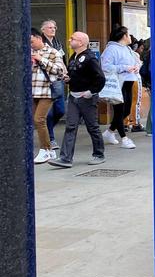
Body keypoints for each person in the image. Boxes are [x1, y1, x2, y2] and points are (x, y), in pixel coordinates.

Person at [48, 32, 106, 168]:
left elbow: (100, 78)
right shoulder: (74, 57)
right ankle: (65, 158)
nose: (69, 40)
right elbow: (75, 74)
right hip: (74, 96)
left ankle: (99, 154)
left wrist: (91, 92)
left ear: (81, 42)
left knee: (92, 127)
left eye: (73, 39)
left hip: (86, 98)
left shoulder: (90, 58)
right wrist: (69, 79)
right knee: (70, 126)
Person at [100, 25, 140, 149]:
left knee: (126, 110)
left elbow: (134, 61)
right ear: (123, 36)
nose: (130, 37)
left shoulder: (126, 49)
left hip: (128, 81)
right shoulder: (111, 49)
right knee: (119, 111)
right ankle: (124, 138)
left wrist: (137, 66)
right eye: (128, 35)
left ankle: (110, 131)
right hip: (118, 83)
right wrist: (124, 68)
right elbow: (106, 67)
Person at [30, 27, 65, 164]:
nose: (30, 45)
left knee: (39, 119)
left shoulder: (52, 52)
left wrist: (41, 59)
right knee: (36, 120)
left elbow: (59, 70)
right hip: (32, 92)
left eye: (32, 42)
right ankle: (48, 150)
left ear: (38, 38)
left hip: (46, 91)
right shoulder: (28, 52)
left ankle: (46, 150)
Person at [41, 19, 66, 150]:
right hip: (46, 81)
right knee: (49, 113)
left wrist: (65, 73)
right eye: (50, 27)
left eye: (54, 27)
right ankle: (50, 138)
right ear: (43, 30)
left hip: (58, 80)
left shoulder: (57, 43)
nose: (53, 29)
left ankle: (46, 128)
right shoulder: (41, 44)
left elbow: (61, 60)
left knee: (61, 110)